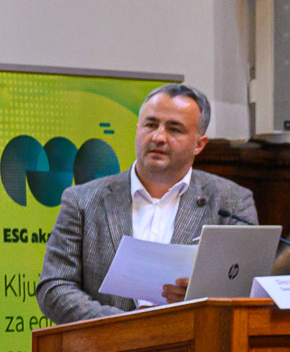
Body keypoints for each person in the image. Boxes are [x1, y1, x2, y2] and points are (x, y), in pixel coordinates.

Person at [37, 82, 259, 323]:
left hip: (195, 349)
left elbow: (244, 289)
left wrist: (199, 296)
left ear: (199, 144)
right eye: (151, 125)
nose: (158, 137)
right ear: (137, 129)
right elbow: (54, 286)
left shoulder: (232, 202)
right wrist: (124, 325)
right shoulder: (82, 200)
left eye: (174, 129)